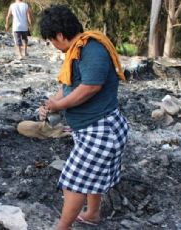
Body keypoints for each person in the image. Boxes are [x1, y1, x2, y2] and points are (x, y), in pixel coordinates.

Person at [38, 5, 129, 230]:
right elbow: (68, 87)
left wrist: (59, 105)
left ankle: (63, 227)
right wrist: (51, 104)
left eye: (51, 40)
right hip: (93, 129)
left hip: (101, 129)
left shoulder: (91, 49)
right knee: (93, 178)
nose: (53, 45)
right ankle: (92, 214)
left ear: (60, 35)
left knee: (73, 183)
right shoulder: (76, 51)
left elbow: (90, 87)